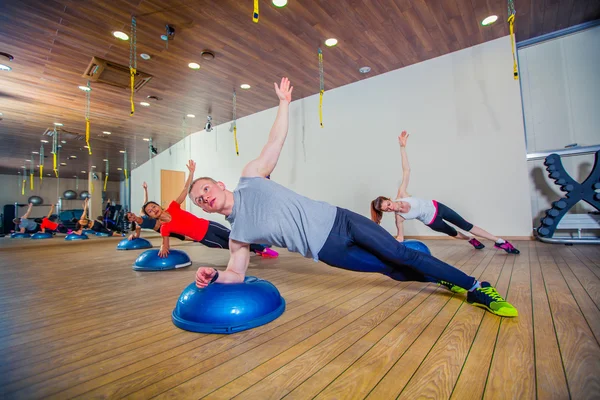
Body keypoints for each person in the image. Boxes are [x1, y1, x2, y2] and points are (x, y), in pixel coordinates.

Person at [189, 77, 518, 317]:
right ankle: (448, 280)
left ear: (219, 184)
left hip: (340, 220)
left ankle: (476, 288)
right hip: (327, 250)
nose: (203, 197)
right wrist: (215, 275)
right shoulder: (237, 236)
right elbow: (236, 273)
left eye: (204, 189)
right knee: (393, 271)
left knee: (403, 255)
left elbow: (274, 142)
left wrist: (285, 104)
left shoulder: (251, 176)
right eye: (198, 200)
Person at [370, 132, 519, 255]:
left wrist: (402, 148)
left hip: (438, 207)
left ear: (390, 199)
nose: (390, 208)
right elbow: (400, 237)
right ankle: (469, 240)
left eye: (388, 204)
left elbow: (406, 170)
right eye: (386, 209)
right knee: (454, 233)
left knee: (466, 225)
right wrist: (384, 244)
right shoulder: (399, 219)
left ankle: (499, 241)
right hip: (433, 222)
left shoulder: (402, 193)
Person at [142, 161, 277, 258]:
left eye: (153, 206)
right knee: (231, 245)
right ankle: (256, 250)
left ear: (158, 206)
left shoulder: (173, 206)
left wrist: (191, 172)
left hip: (209, 225)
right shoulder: (164, 228)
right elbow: (165, 244)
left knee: (234, 236)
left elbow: (185, 189)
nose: (153, 210)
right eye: (149, 211)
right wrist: (162, 247)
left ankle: (261, 247)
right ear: (151, 216)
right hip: (205, 238)